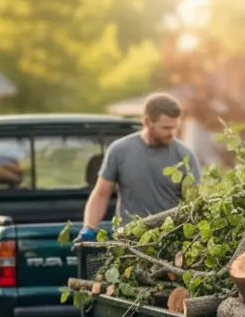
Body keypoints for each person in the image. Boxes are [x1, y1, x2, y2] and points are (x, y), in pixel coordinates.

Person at [79, 93, 201, 241]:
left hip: (169, 241)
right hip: (128, 239)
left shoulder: (184, 155)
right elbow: (102, 193)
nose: (172, 133)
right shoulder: (119, 150)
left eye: (175, 127)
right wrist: (89, 226)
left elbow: (194, 204)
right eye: (166, 128)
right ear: (148, 122)